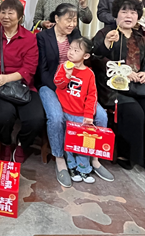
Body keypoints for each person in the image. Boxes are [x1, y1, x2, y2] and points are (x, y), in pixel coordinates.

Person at [36, 3, 114, 183]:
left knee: (100, 115)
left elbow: (89, 53)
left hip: (77, 83)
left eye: (74, 20)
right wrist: (60, 87)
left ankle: (94, 158)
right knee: (56, 117)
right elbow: (42, 70)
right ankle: (60, 158)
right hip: (51, 83)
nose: (72, 24)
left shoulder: (75, 35)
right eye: (68, 20)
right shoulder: (43, 37)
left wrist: (107, 43)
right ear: (56, 19)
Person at [92, 0, 145, 176]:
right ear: (115, 14)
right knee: (135, 112)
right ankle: (127, 155)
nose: (128, 16)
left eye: (133, 12)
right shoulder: (105, 33)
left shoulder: (139, 37)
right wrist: (107, 45)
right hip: (114, 88)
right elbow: (96, 58)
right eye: (124, 11)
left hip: (139, 87)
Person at [0, 0, 43, 163]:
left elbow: (30, 68)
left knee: (36, 118)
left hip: (22, 85)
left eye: (11, 13)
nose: (6, 16)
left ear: (20, 17)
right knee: (5, 115)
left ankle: (22, 144)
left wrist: (7, 78)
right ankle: (5, 143)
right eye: (3, 12)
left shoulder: (29, 38)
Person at [53, 37, 97, 185]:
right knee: (69, 143)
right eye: (70, 48)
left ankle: (84, 168)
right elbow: (58, 84)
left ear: (86, 56)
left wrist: (88, 115)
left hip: (80, 114)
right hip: (65, 111)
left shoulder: (89, 74)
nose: (71, 52)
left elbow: (91, 96)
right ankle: (72, 167)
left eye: (76, 50)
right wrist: (67, 75)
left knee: (83, 143)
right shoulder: (63, 66)